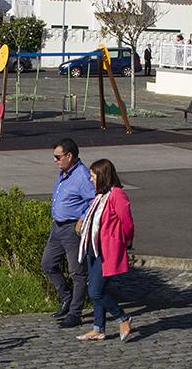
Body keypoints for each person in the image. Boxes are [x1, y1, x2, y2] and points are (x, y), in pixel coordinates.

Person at [75, 159, 135, 342]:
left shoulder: (117, 195)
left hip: (107, 250)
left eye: (93, 176)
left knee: (95, 291)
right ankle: (98, 328)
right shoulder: (101, 195)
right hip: (94, 249)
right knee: (95, 288)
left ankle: (122, 318)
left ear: (102, 176)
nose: (91, 180)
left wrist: (124, 241)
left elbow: (127, 223)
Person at [42, 138, 95, 328]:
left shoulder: (82, 176)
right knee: (48, 263)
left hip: (72, 228)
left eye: (58, 157)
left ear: (69, 156)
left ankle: (75, 313)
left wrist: (81, 219)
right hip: (57, 227)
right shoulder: (64, 172)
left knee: (77, 272)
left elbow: (94, 201)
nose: (55, 161)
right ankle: (66, 298)